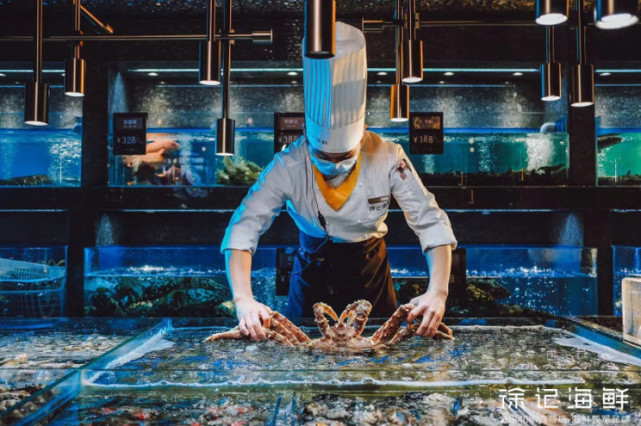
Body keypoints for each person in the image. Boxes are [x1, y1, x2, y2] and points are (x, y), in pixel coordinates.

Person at [220, 22, 457, 341]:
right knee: (302, 365)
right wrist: (243, 300)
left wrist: (438, 292)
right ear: (307, 135)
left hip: (370, 274)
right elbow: (244, 226)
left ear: (363, 133)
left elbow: (430, 220)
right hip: (311, 275)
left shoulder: (388, 156)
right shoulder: (288, 163)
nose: (334, 164)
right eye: (323, 155)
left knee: (381, 366)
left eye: (344, 155)